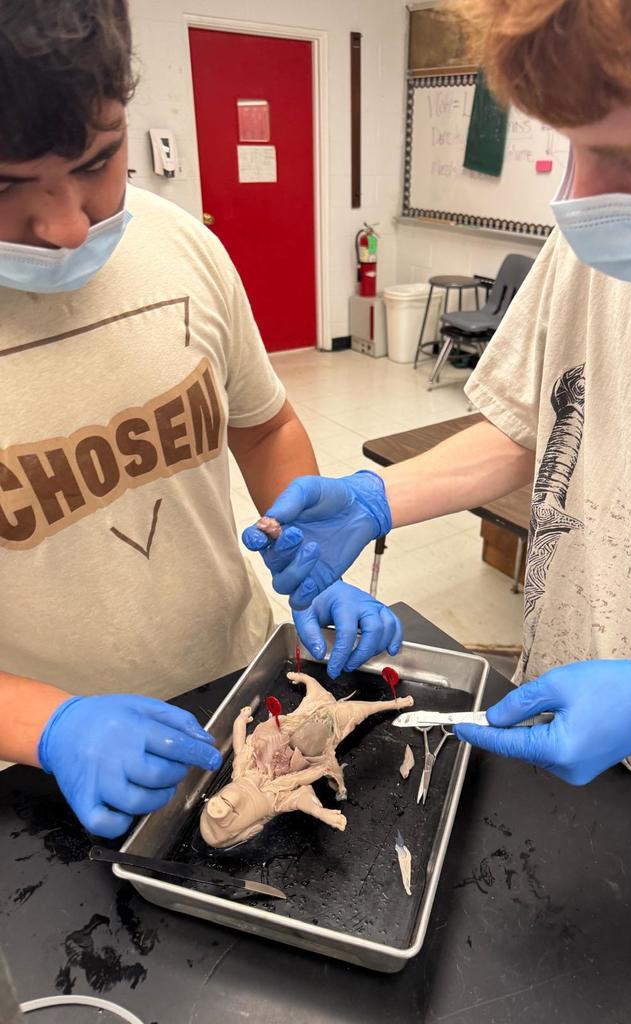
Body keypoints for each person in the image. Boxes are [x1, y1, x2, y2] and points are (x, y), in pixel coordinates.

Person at [244, 0, 631, 869]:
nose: (581, 201)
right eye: (571, 145)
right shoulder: (606, 227)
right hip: (559, 715)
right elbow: (536, 422)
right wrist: (379, 498)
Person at [0, 0, 401, 838]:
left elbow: (260, 426)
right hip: (43, 769)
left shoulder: (180, 246)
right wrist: (45, 724)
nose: (68, 224)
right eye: (5, 186)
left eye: (99, 161)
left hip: (235, 684)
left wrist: (309, 563)